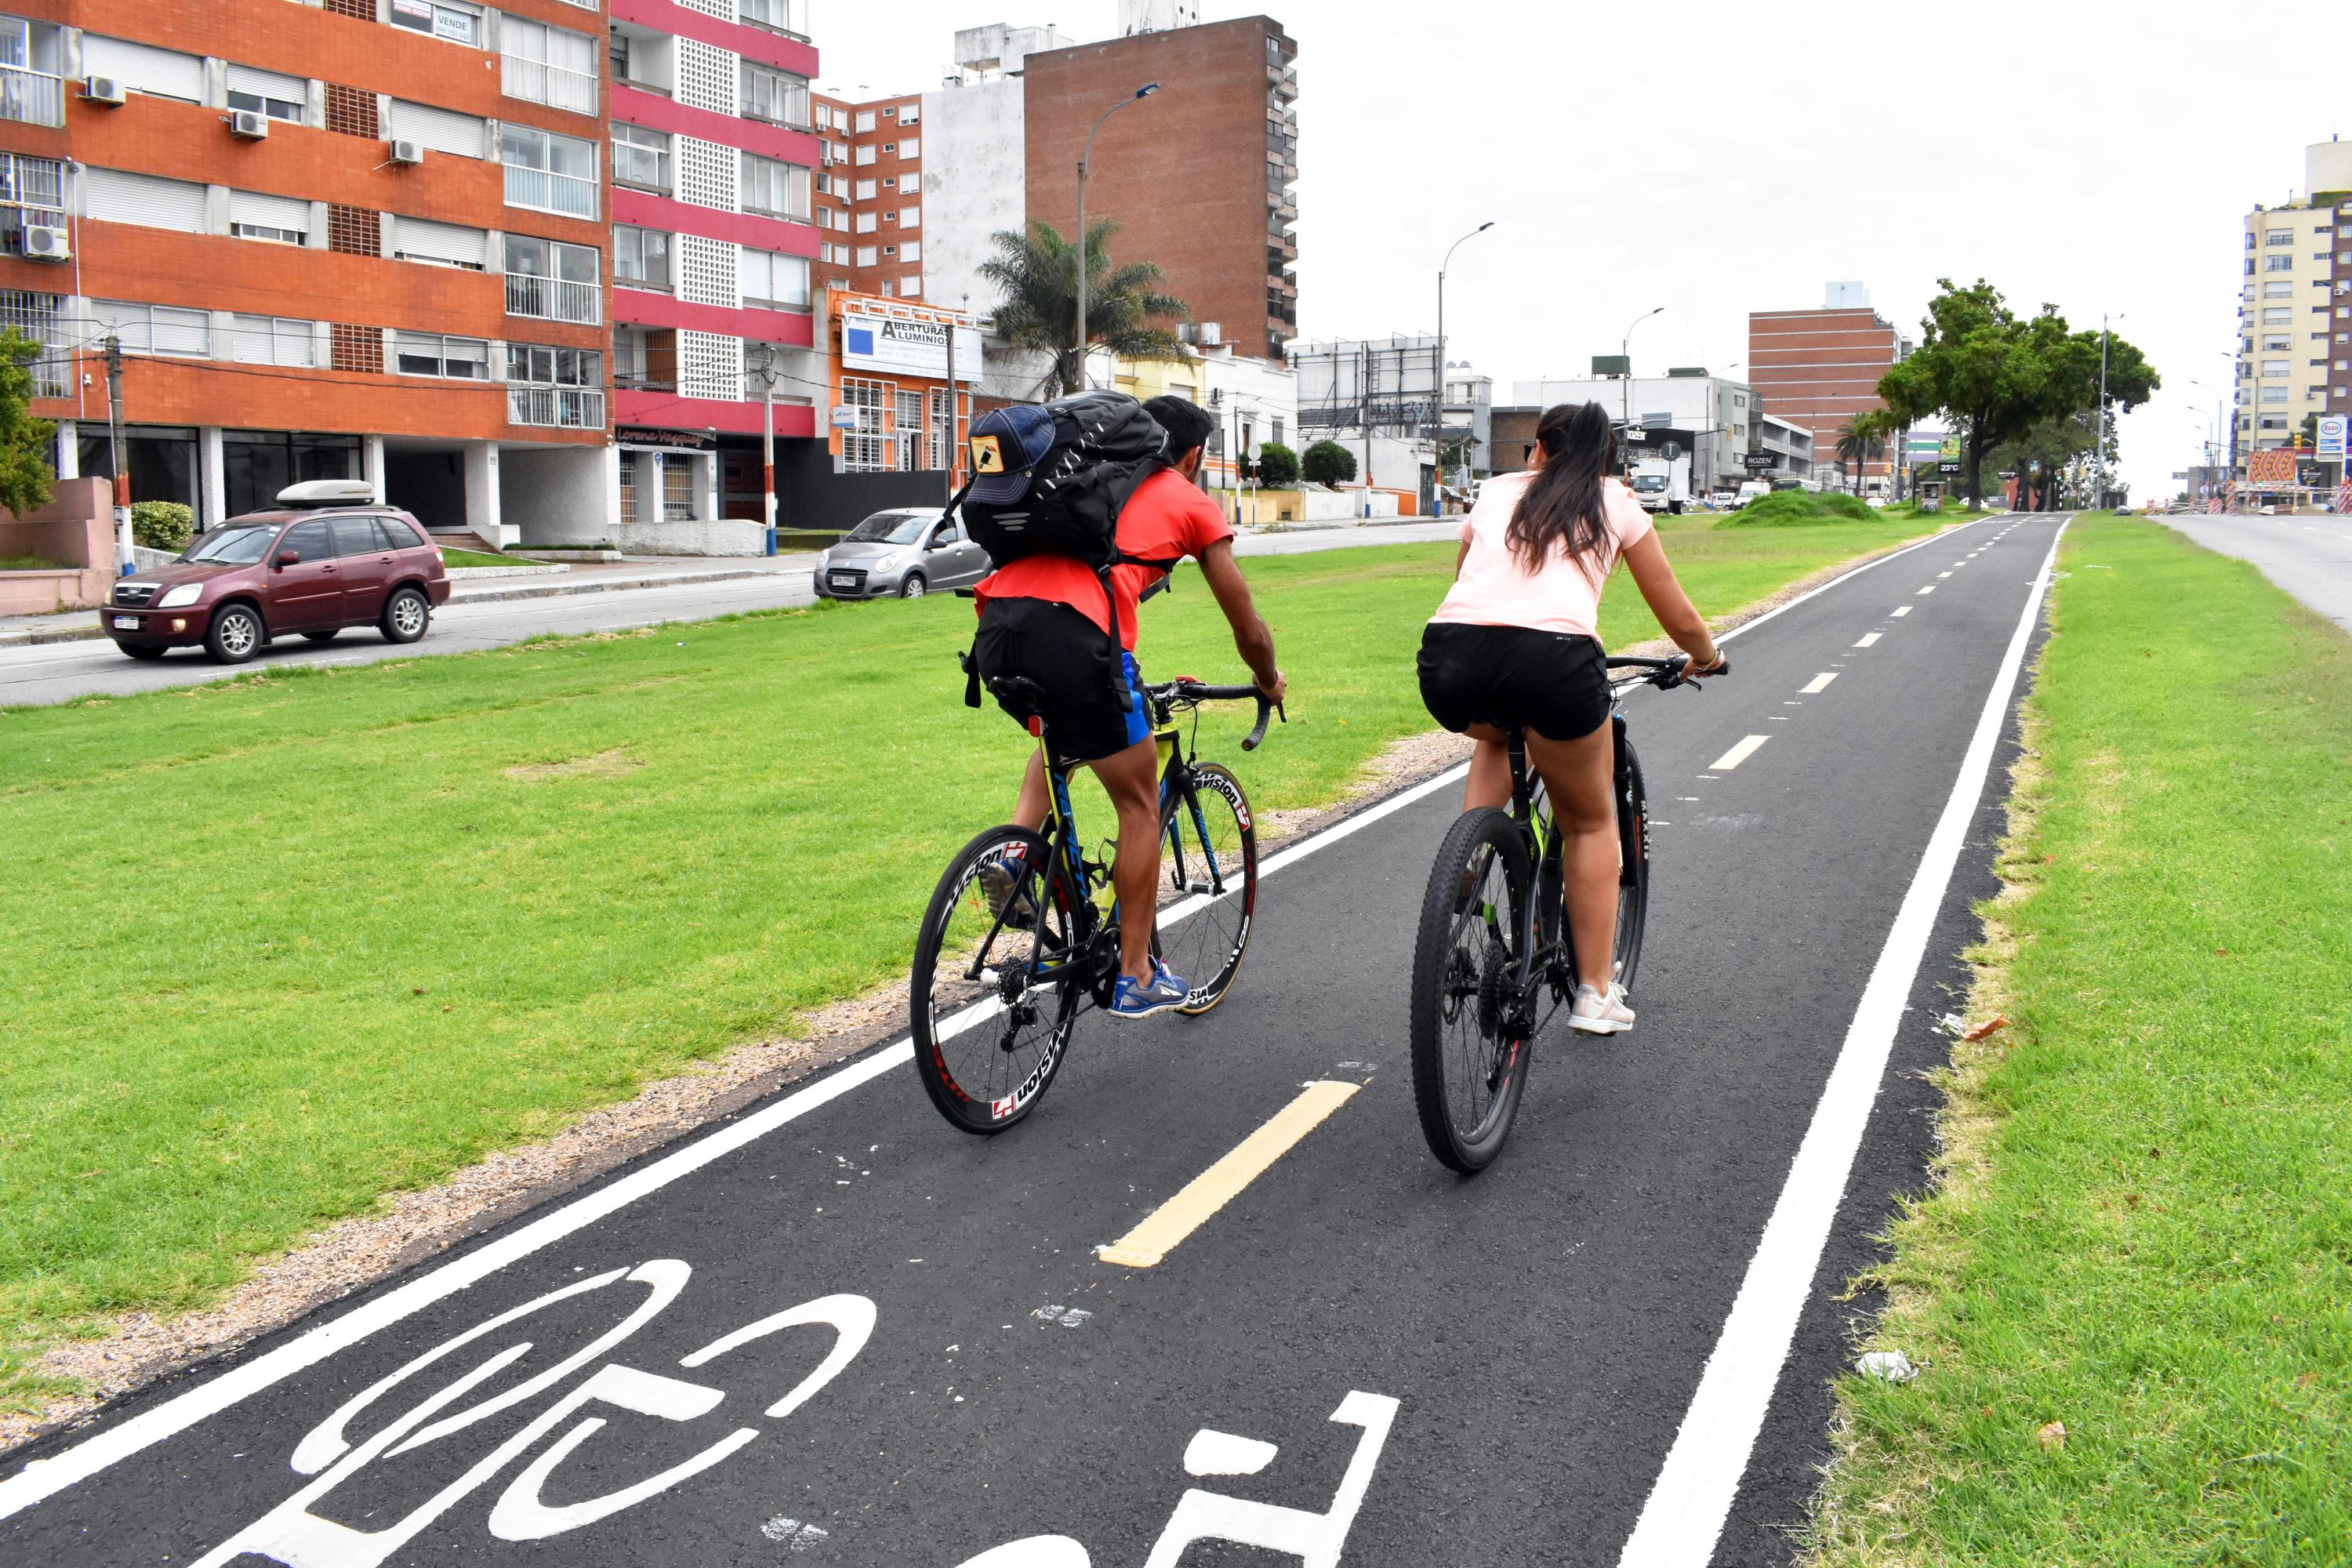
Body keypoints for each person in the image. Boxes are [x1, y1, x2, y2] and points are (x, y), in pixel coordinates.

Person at [971, 394, 1286, 1020]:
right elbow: (1246, 625)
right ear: (1192, 455)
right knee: (1140, 803)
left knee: (1063, 735)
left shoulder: (1080, 479)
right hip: (1078, 638)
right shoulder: (1187, 497)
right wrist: (1268, 679)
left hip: (998, 626)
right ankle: (1137, 974)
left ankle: (1016, 852)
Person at [1416, 401, 1725, 1036]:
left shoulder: (1498, 490)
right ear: (1608, 457)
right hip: (1556, 663)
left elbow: (1468, 582)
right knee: (1589, 824)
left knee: (1499, 729)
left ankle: (1467, 864)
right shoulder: (1615, 501)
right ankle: (1593, 992)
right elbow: (1677, 615)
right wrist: (1707, 656)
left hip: (1450, 656)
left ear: (1540, 449)